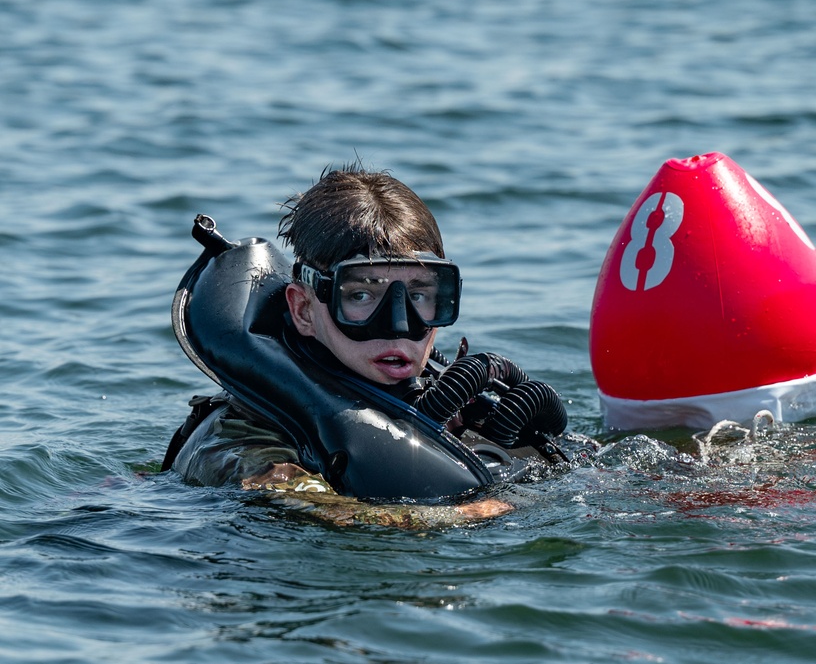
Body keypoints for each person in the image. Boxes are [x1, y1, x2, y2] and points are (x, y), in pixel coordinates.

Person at [164, 164, 567, 527]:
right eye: (361, 296)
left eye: (420, 294)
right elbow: (300, 502)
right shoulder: (240, 439)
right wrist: (455, 515)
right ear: (304, 308)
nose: (398, 326)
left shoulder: (447, 398)